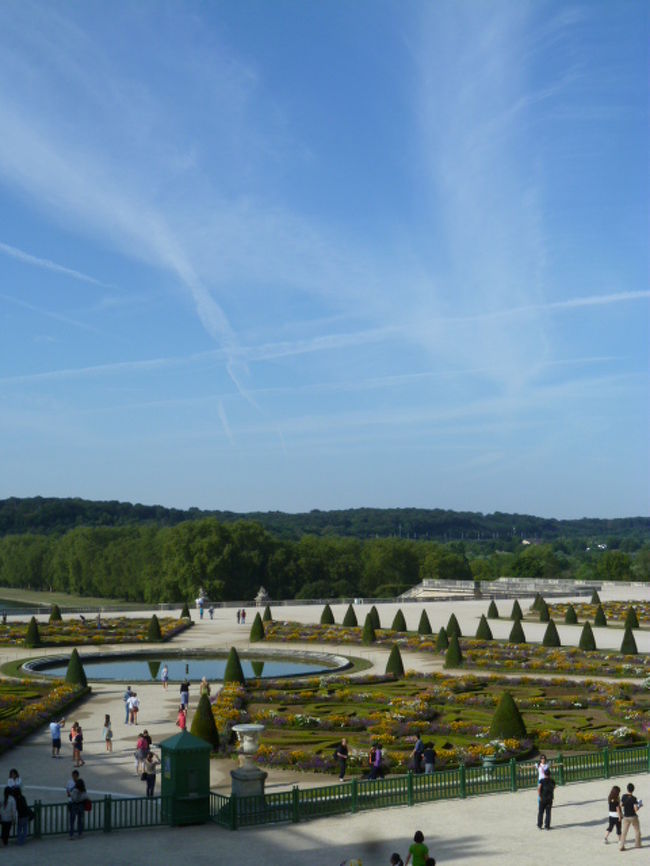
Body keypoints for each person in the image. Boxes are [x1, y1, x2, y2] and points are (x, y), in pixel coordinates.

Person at [620, 782, 642, 851]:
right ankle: (637, 844)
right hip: (633, 816)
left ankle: (622, 845)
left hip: (626, 816)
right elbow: (635, 809)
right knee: (637, 830)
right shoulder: (634, 798)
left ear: (627, 789)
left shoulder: (623, 796)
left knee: (624, 832)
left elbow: (621, 805)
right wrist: (639, 806)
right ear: (633, 790)